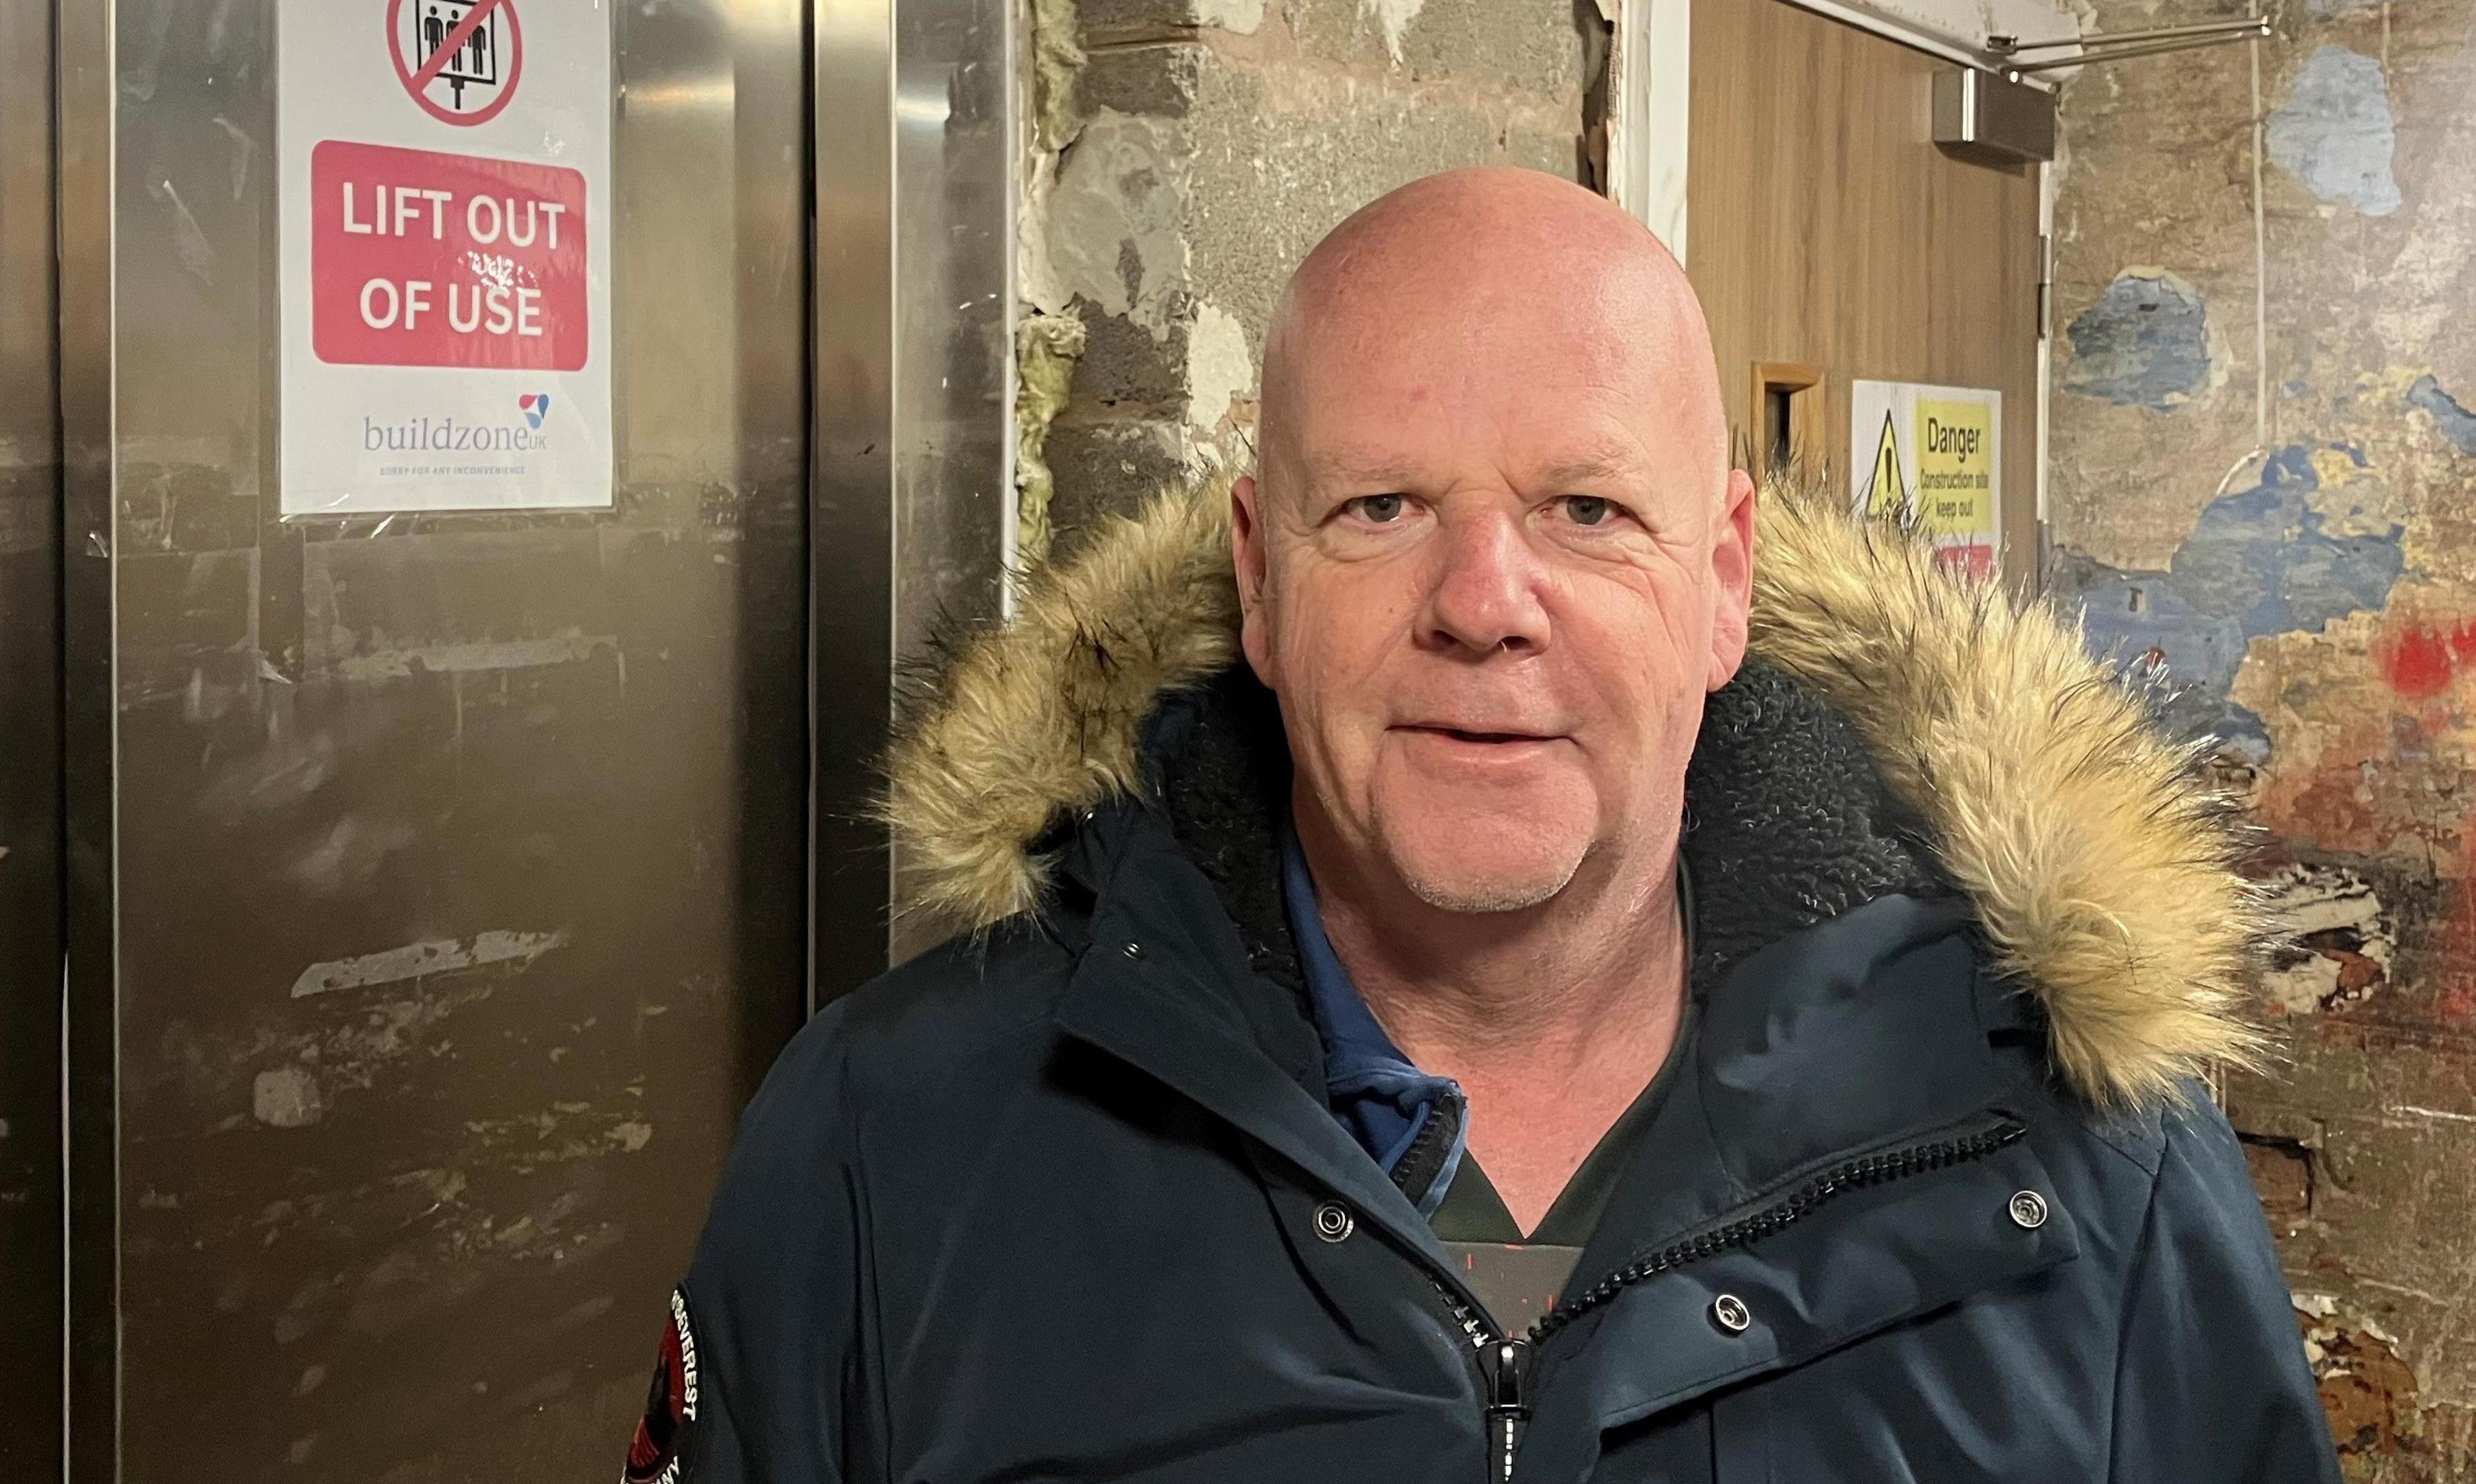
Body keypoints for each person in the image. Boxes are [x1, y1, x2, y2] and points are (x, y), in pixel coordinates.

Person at [622, 167, 2338, 1482]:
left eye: (1587, 511)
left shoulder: (2087, 1152)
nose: (1483, 603)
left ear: (1726, 581)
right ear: (1260, 578)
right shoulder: (884, 1142)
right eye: (1380, 508)